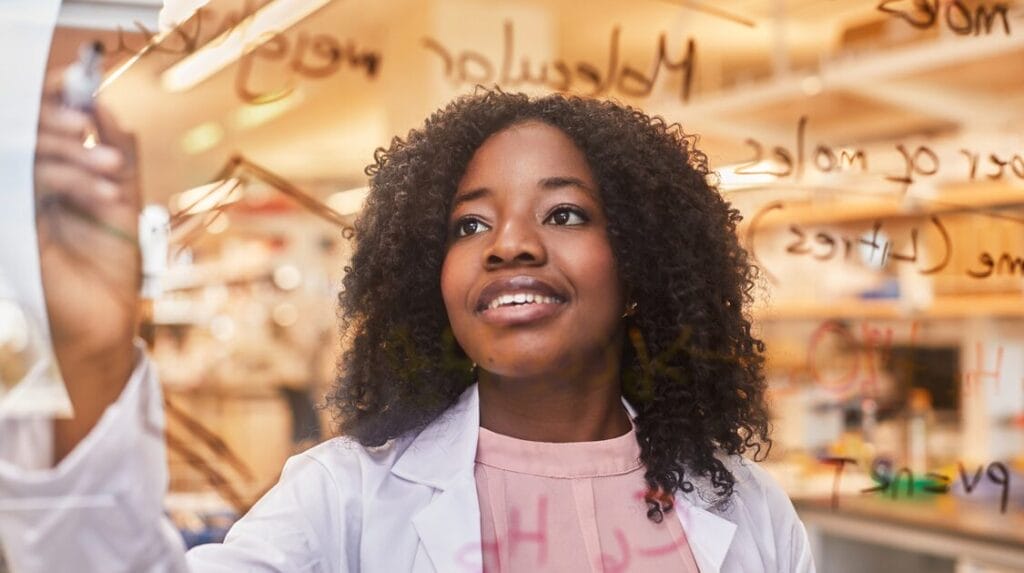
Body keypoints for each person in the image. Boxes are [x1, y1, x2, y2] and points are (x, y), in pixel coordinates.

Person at [0, 78, 815, 572]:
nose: (510, 244)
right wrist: (90, 354)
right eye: (469, 224)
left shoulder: (748, 510)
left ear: (640, 262)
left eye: (564, 213)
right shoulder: (344, 498)